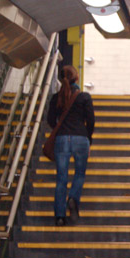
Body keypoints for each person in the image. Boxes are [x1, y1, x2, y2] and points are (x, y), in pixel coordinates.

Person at [47, 65, 95, 226]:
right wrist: (88, 139)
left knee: (61, 178)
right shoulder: (84, 97)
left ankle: (60, 217)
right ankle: (73, 198)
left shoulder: (56, 98)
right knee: (79, 174)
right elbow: (91, 121)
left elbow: (50, 120)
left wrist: (59, 129)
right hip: (80, 138)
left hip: (62, 139)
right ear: (76, 78)